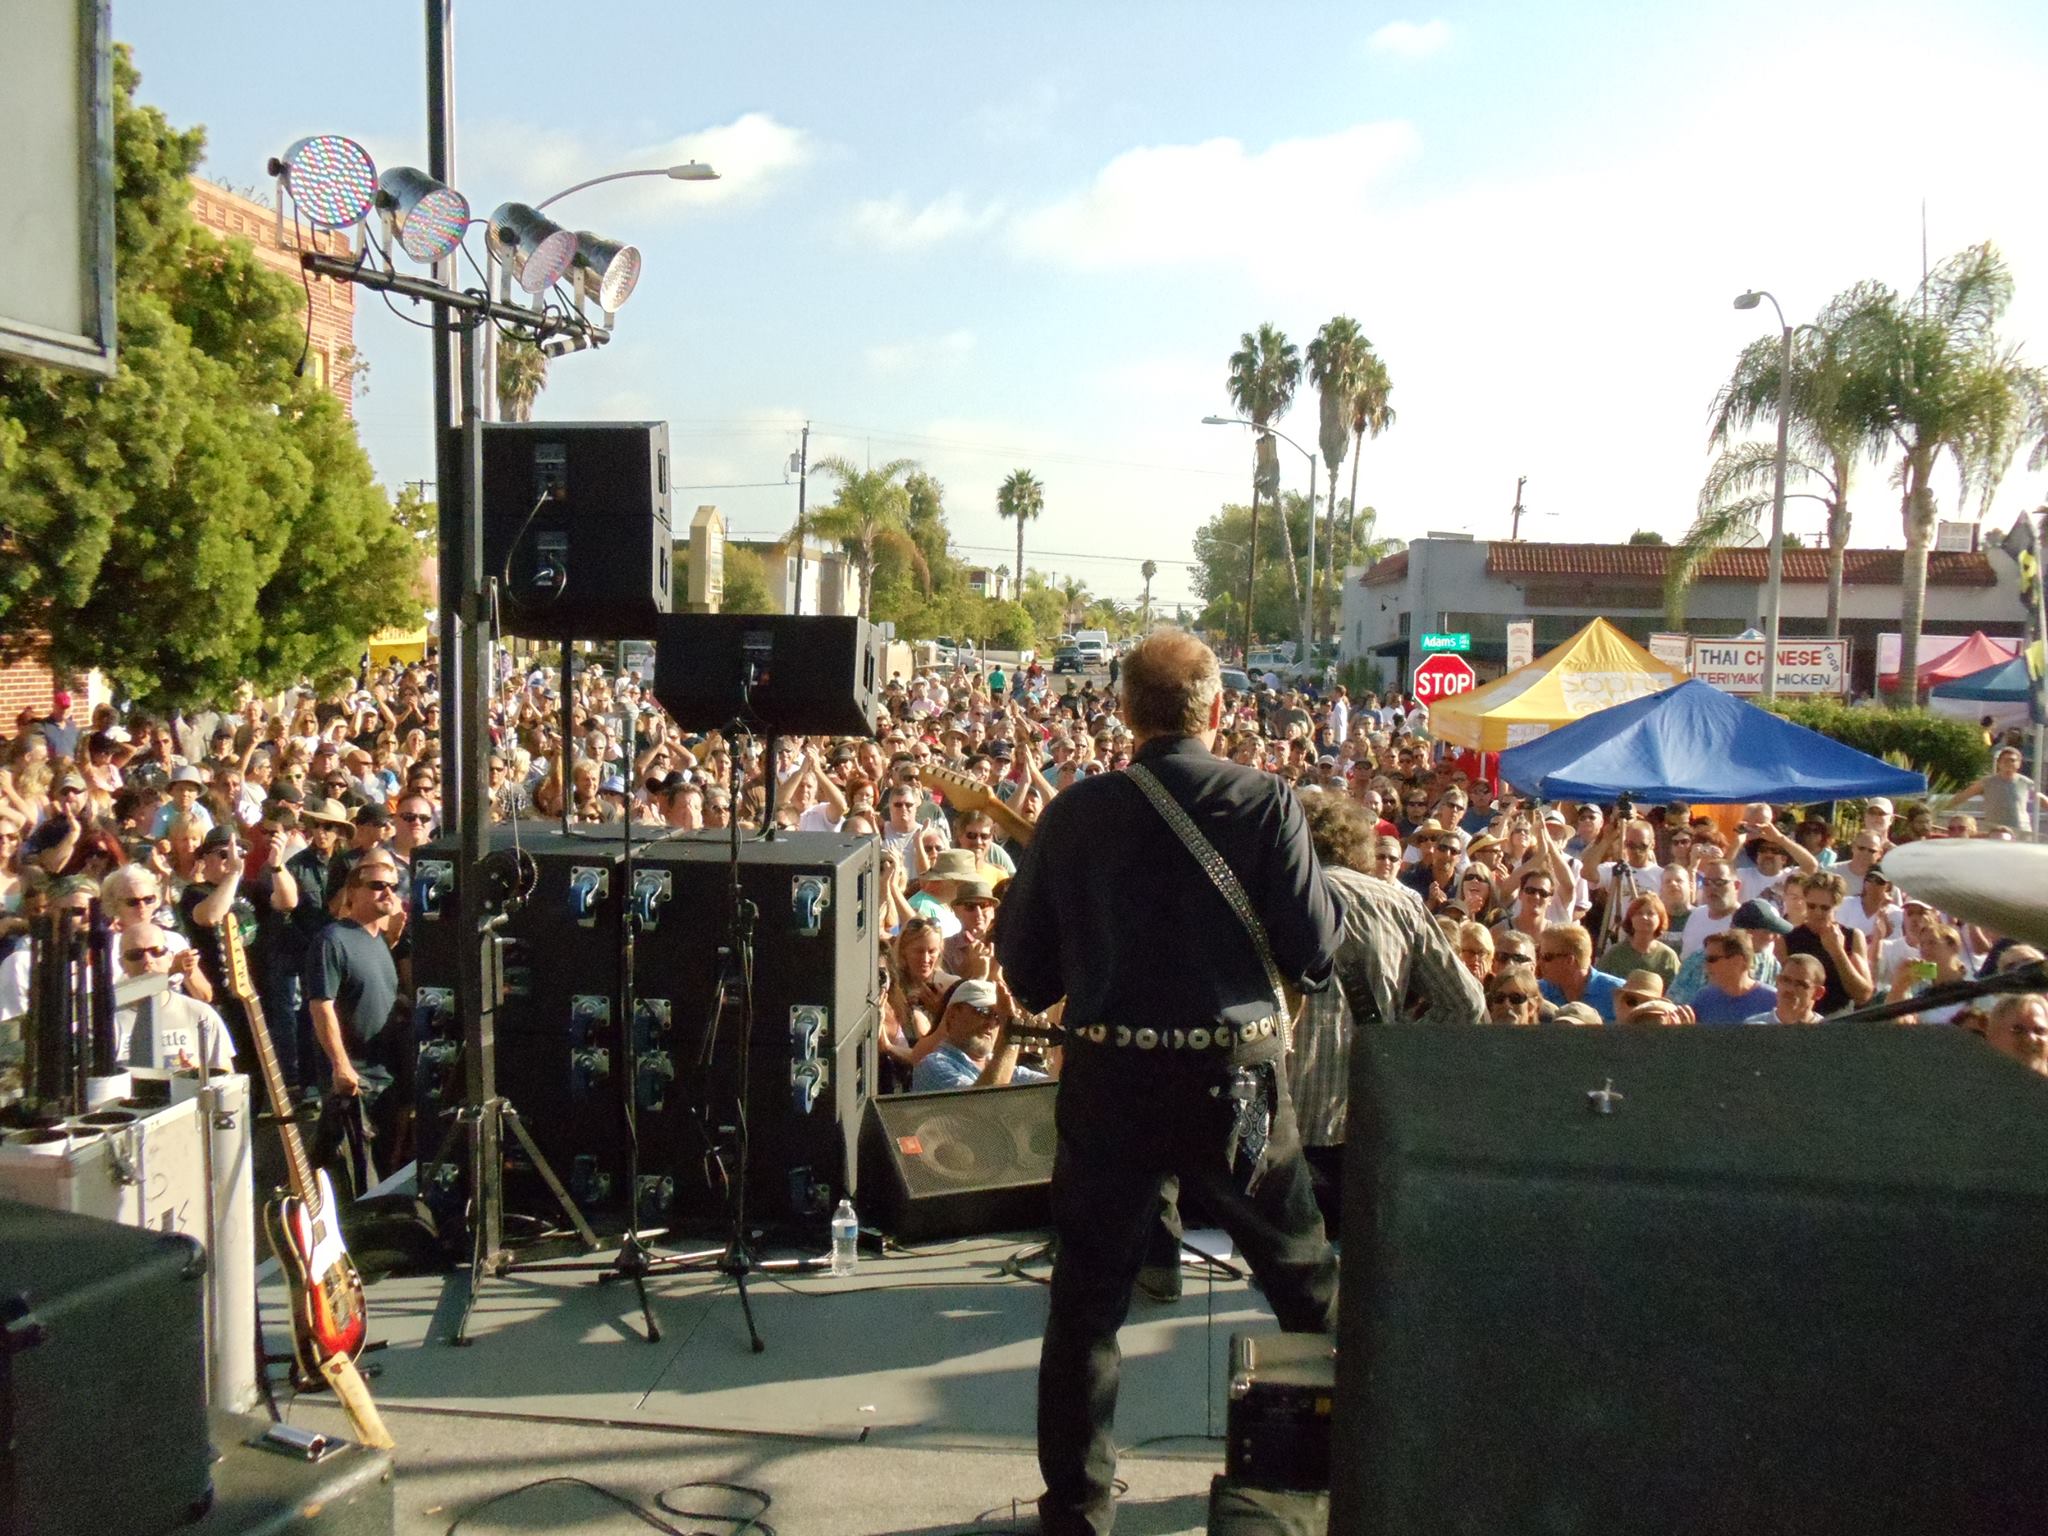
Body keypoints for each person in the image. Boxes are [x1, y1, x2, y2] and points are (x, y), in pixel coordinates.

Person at [995, 628, 1340, 1536]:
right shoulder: (1267, 803)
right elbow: (1314, 952)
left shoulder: (1074, 813)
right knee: (1307, 1285)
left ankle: (1076, 1510)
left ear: (1122, 711)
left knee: (1088, 1304)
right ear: (1216, 710)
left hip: (1114, 1080)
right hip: (1239, 1086)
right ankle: (1353, 1470)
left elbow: (1029, 979)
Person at [908, 976, 1049, 1090]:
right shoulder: (932, 1066)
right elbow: (981, 1105)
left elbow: (1055, 1090)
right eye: (984, 1011)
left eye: (998, 1017)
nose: (992, 1023)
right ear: (952, 1015)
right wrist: (1012, 1036)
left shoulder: (1011, 1071)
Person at [1534, 923, 1626, 1021]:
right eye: (1538, 955)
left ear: (1569, 960)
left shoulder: (1619, 993)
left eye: (1547, 957)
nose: (1539, 962)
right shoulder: (1538, 992)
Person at [1951, 746, 2045, 837]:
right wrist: (1940, 807)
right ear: (1999, 763)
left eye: (2012, 760)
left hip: (2021, 831)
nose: (2008, 763)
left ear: (2019, 764)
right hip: (1995, 832)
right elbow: (1964, 796)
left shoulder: (2026, 783)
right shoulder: (1986, 782)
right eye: (2005, 760)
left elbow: (2041, 799)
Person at [1689, 930, 1778, 1023]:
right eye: (1706, 959)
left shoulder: (1773, 1000)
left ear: (1738, 961)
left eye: (1712, 959)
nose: (1706, 965)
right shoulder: (1703, 999)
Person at [1749, 954, 1827, 1024]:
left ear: (1818, 993)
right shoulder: (1752, 1028)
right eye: (1786, 980)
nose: (1790, 989)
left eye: (1800, 984)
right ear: (1777, 981)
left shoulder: (1828, 1033)